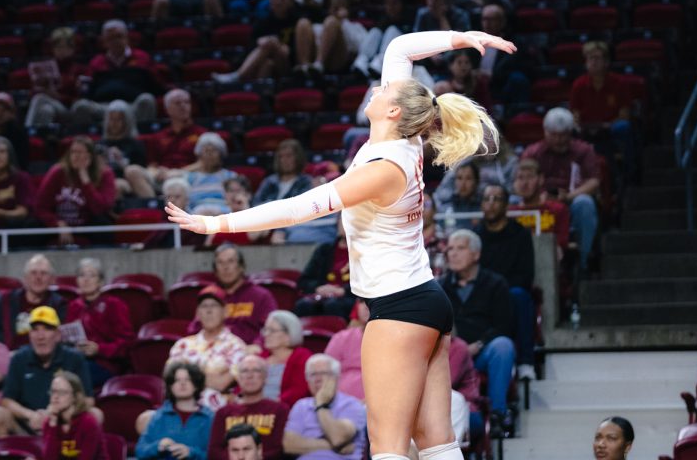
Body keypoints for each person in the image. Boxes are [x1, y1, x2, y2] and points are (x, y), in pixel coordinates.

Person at [168, 28, 514, 460]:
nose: (378, 86)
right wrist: (461, 38)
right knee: (436, 444)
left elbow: (299, 209)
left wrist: (215, 222)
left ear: (391, 109)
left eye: (385, 88)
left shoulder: (384, 167)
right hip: (424, 301)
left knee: (387, 447)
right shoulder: (400, 138)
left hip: (400, 309)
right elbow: (399, 48)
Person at [440, 230, 516, 432]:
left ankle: (497, 413)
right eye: (450, 249)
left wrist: (478, 345)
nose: (453, 254)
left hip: (481, 351)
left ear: (476, 254)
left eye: (460, 248)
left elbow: (504, 325)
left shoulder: (495, 284)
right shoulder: (439, 286)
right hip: (450, 353)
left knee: (503, 346)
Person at [0, 306, 92, 439]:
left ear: (58, 335)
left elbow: (88, 400)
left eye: (47, 329)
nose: (41, 336)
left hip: (63, 425)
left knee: (95, 414)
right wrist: (31, 415)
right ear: (29, 335)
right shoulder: (19, 358)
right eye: (35, 330)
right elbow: (7, 401)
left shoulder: (74, 358)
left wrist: (54, 413)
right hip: (27, 425)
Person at [520, 108, 600, 270]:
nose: (558, 139)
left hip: (571, 200)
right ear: (545, 132)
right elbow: (521, 178)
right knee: (514, 202)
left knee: (585, 203)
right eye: (553, 135)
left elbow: (594, 181)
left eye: (563, 135)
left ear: (570, 132)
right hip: (539, 201)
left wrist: (570, 196)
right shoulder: (533, 152)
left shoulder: (583, 151)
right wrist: (540, 196)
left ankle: (583, 262)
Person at [476, 185, 536, 382]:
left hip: (509, 290)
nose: (491, 204)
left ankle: (526, 362)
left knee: (520, 296)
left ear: (506, 204)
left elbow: (526, 275)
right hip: (483, 292)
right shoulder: (476, 235)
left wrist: (498, 288)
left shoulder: (520, 233)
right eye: (487, 199)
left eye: (496, 199)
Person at [169, 286, 247, 408]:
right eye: (204, 306)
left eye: (214, 306)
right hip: (181, 406)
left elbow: (221, 384)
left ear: (225, 312)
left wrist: (188, 375)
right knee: (145, 418)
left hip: (216, 411)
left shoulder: (236, 346)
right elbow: (171, 380)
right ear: (198, 313)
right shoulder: (182, 345)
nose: (208, 311)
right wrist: (212, 377)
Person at [570, 41, 637, 178]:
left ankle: (630, 173)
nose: (593, 62)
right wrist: (579, 126)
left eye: (597, 58)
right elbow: (575, 114)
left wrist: (606, 126)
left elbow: (624, 114)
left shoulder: (619, 83)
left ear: (606, 62)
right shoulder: (579, 85)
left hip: (611, 127)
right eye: (590, 58)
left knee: (624, 127)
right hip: (587, 128)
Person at [282, 355, 367, 460]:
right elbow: (289, 445)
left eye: (323, 373)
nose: (317, 379)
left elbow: (337, 438)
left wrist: (321, 404)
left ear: (336, 378)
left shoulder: (351, 405)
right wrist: (331, 446)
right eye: (313, 374)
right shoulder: (301, 406)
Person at [34, 138, 117, 246]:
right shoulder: (58, 172)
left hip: (87, 224)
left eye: (80, 152)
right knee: (32, 226)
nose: (75, 156)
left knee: (103, 225)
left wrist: (85, 179)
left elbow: (100, 209)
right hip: (58, 223)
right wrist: (57, 223)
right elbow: (40, 206)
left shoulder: (105, 173)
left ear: (90, 156)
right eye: (73, 152)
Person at [125, 89, 205, 199]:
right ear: (167, 109)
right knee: (132, 170)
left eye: (187, 102)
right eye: (178, 103)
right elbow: (152, 165)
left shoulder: (202, 134)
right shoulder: (158, 137)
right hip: (163, 177)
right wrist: (156, 172)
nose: (183, 106)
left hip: (188, 175)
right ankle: (156, 206)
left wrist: (178, 172)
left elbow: (204, 163)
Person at [64, 258, 132, 385]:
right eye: (82, 275)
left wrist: (99, 349)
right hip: (76, 359)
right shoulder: (73, 306)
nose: (86, 279)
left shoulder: (114, 305)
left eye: (91, 275)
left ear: (100, 281)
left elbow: (126, 343)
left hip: (106, 363)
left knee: (72, 377)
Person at [207, 356, 289, 460]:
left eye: (256, 370)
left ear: (265, 377)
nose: (250, 376)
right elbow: (214, 452)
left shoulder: (280, 410)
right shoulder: (223, 413)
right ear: (239, 378)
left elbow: (280, 449)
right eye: (245, 371)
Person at [253, 140, 331, 248]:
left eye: (289, 156)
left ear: (297, 158)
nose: (285, 160)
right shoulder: (269, 182)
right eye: (281, 157)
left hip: (288, 227)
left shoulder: (306, 182)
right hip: (264, 226)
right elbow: (256, 204)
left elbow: (298, 210)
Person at [134, 362, 212, 460]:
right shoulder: (158, 417)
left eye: (187, 379)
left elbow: (217, 456)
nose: (182, 383)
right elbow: (140, 451)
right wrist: (157, 446)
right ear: (170, 387)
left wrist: (191, 453)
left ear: (196, 385)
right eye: (176, 380)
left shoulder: (210, 418)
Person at [0, 255, 66, 350]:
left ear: (52, 280)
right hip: (7, 357)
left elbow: (62, 340)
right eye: (33, 273)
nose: (38, 277)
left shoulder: (59, 304)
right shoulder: (4, 299)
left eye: (43, 273)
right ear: (25, 278)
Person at [43, 370, 104, 460]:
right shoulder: (50, 423)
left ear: (75, 397)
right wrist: (53, 424)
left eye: (62, 392)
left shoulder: (89, 423)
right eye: (53, 391)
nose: (55, 396)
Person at [256, 311, 311, 410]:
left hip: (284, 410)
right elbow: (243, 386)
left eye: (272, 330)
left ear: (288, 335)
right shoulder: (259, 357)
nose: (266, 334)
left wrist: (272, 406)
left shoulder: (302, 356)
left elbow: (298, 391)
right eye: (265, 329)